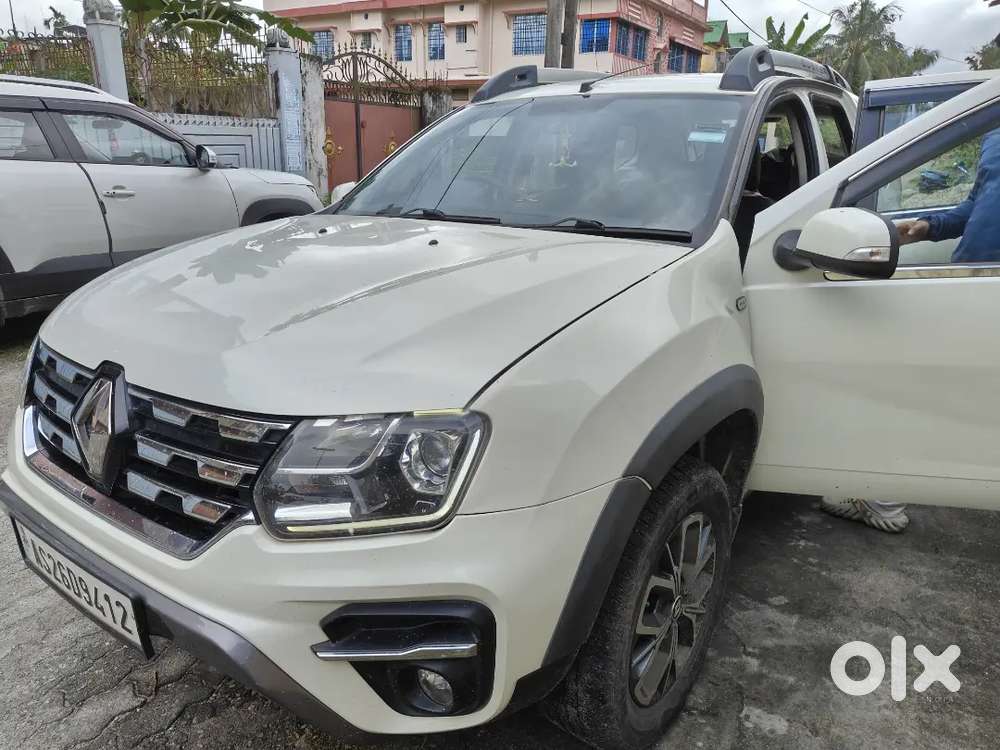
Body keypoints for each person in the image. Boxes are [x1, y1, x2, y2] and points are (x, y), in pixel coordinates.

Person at [821, 128, 1000, 532]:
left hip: (984, 292)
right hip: (971, 286)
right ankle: (881, 496)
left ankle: (881, 498)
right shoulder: (992, 132)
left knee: (932, 396)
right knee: (935, 394)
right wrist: (925, 225)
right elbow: (978, 206)